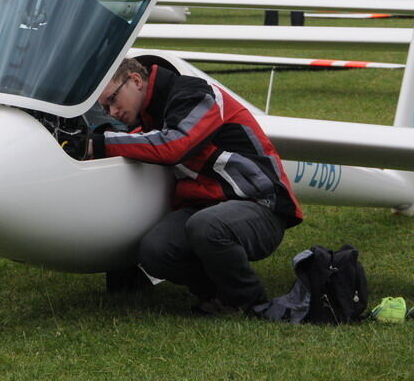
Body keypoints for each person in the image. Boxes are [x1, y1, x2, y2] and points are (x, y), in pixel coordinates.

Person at [87, 57, 303, 314]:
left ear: (135, 80)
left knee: (207, 226)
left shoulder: (196, 93)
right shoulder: (149, 116)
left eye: (112, 100)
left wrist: (99, 144)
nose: (112, 113)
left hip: (261, 206)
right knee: (155, 251)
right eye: (105, 108)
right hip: (205, 208)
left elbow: (174, 145)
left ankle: (250, 301)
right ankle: (215, 295)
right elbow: (142, 142)